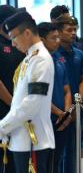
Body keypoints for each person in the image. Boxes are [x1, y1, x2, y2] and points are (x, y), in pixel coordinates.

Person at [0, 11, 55, 173]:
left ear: (27, 33)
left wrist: (3, 126)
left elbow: (33, 102)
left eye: (14, 37)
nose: (13, 44)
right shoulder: (28, 59)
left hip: (34, 140)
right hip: (21, 139)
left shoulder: (41, 60)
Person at [37, 22, 72, 173]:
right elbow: (38, 95)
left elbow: (67, 90)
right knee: (43, 163)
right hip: (44, 120)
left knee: (56, 162)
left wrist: (66, 113)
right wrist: (60, 114)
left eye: (58, 37)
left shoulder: (59, 60)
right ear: (42, 40)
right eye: (54, 38)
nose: (58, 41)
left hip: (61, 120)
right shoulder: (36, 61)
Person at [55, 14, 83, 173]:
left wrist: (78, 103)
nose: (73, 33)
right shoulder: (53, 54)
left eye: (75, 29)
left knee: (73, 152)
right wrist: (65, 110)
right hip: (58, 110)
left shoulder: (79, 54)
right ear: (59, 33)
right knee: (57, 152)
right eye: (69, 30)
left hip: (75, 109)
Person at [0, 4, 26, 173]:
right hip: (4, 108)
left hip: (18, 109)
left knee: (15, 161)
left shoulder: (17, 43)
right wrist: (13, 103)